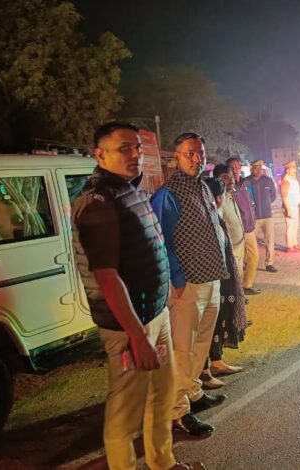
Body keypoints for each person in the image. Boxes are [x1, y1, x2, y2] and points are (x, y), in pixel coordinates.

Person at [72, 122, 202, 470]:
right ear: (100, 154)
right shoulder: (99, 202)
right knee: (125, 413)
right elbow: (106, 276)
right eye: (124, 148)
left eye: (137, 148)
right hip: (128, 326)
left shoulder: (130, 190)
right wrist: (136, 335)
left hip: (154, 315)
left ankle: (163, 462)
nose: (135, 155)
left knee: (161, 396)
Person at [150, 133, 227, 437]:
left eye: (201, 153)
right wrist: (177, 280)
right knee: (182, 350)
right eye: (190, 154)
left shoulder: (203, 187)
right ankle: (177, 411)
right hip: (188, 286)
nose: (197, 159)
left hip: (210, 280)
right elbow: (160, 241)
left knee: (201, 345)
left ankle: (193, 392)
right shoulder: (167, 194)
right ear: (177, 157)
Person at [199, 178, 246, 389]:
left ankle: (216, 362)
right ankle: (203, 372)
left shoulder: (214, 215)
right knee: (207, 327)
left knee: (219, 322)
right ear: (217, 197)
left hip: (222, 279)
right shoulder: (206, 218)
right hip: (212, 280)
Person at [226, 157, 261, 295]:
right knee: (238, 262)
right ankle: (237, 291)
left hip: (249, 228)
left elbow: (251, 202)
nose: (235, 169)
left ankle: (246, 285)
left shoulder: (246, 184)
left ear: (240, 167)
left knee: (253, 257)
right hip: (238, 230)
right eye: (231, 167)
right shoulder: (228, 187)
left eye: (236, 166)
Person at [244, 160, 278, 273]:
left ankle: (269, 263)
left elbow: (273, 195)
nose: (259, 170)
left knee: (269, 240)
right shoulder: (246, 182)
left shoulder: (268, 181)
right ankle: (248, 262)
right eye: (256, 168)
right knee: (249, 241)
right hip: (253, 217)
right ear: (251, 169)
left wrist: (266, 203)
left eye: (260, 168)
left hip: (267, 216)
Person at [279, 160, 300, 253]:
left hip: (295, 207)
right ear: (287, 170)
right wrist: (288, 209)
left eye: (295, 168)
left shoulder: (293, 180)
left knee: (295, 226)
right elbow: (284, 196)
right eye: (293, 168)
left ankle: (295, 244)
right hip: (289, 207)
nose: (295, 170)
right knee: (290, 227)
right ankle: (289, 246)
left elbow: (296, 193)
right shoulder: (285, 182)